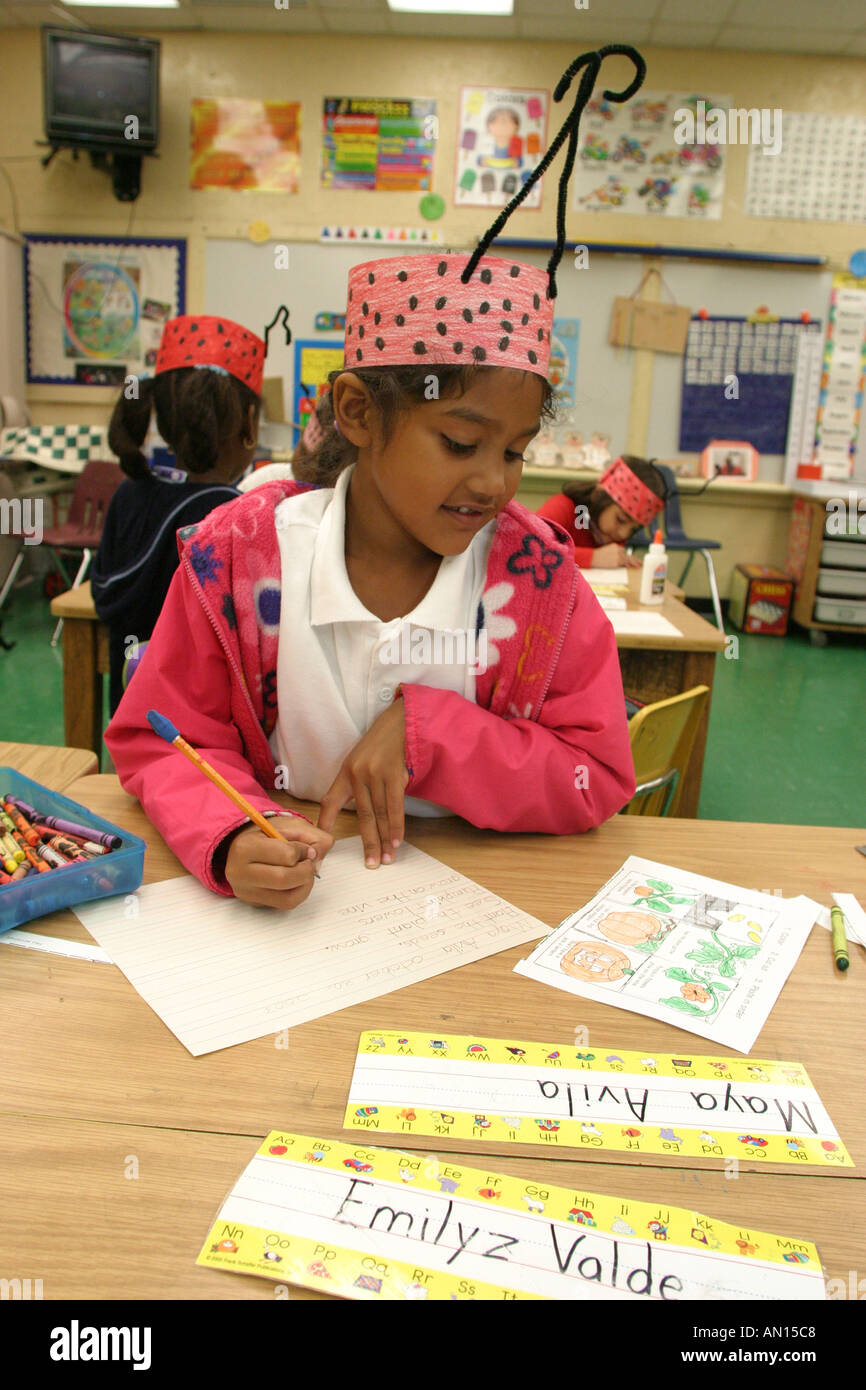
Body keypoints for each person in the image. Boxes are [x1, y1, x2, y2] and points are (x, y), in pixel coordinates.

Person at [106, 43, 646, 914]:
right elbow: (161, 738)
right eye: (460, 441)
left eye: (513, 451)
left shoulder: (540, 583)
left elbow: (595, 776)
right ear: (358, 413)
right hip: (297, 929)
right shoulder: (239, 561)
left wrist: (433, 734)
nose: (495, 483)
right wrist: (231, 829)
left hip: (473, 920)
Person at [93, 315, 262, 714]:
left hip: (131, 717)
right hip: (201, 735)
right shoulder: (235, 516)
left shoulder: (128, 492)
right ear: (249, 424)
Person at [536, 456, 666, 569]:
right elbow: (532, 546)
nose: (623, 534)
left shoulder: (610, 535)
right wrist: (593, 558)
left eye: (633, 530)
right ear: (599, 495)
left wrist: (621, 559)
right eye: (621, 519)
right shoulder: (563, 507)